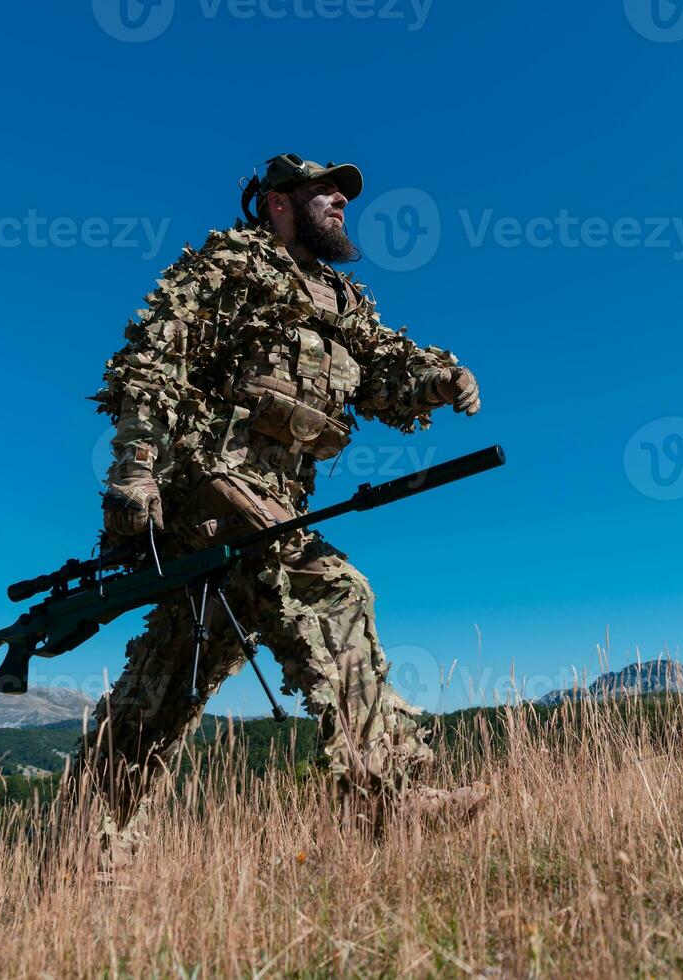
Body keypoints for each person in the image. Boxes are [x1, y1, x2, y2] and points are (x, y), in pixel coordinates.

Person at [80, 153, 485, 849]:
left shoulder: (343, 301)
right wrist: (137, 472)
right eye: (323, 191)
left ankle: (87, 840)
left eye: (342, 195)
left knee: (169, 681)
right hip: (207, 486)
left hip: (273, 504)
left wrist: (440, 377)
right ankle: (392, 795)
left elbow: (385, 375)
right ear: (275, 202)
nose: (339, 202)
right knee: (334, 590)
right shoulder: (229, 264)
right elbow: (154, 362)